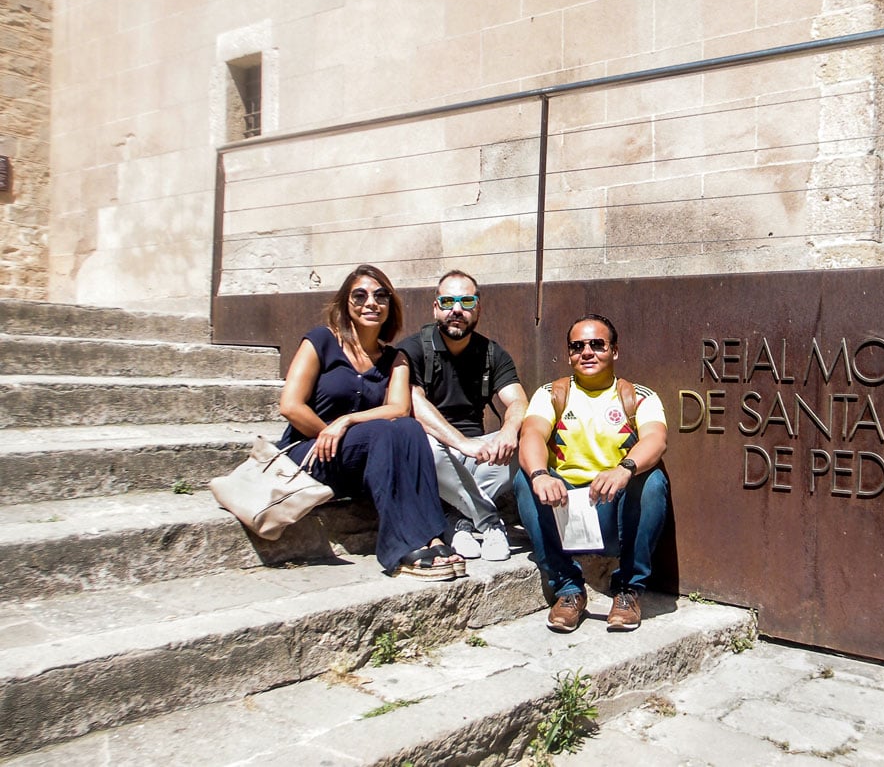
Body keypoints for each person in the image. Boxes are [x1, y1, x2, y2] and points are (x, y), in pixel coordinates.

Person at [278, 264, 464, 580]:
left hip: (363, 464)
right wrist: (328, 431)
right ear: (345, 304)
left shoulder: (395, 358)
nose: (371, 303)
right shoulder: (322, 341)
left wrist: (347, 421)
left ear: (390, 306)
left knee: (407, 427)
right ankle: (401, 549)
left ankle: (432, 535)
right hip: (311, 452)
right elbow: (290, 406)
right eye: (360, 295)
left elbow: (399, 408)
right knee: (384, 432)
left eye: (381, 296)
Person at [515, 314, 669, 632]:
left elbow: (656, 439)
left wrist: (624, 469)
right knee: (525, 477)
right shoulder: (551, 395)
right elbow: (530, 434)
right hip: (565, 510)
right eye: (577, 346)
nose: (587, 352)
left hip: (613, 511)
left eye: (597, 344)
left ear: (614, 351)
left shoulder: (639, 397)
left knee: (652, 480)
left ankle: (627, 591)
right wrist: (541, 474)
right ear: (569, 353)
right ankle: (568, 590)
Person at [398, 270, 528, 561]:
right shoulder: (413, 348)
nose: (456, 309)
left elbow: (518, 400)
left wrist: (508, 431)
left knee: (530, 439)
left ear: (478, 308)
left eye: (466, 301)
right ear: (435, 307)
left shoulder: (492, 354)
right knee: (424, 444)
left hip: (478, 456)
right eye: (447, 301)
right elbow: (414, 402)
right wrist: (460, 443)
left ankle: (458, 520)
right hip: (436, 451)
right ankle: (489, 521)